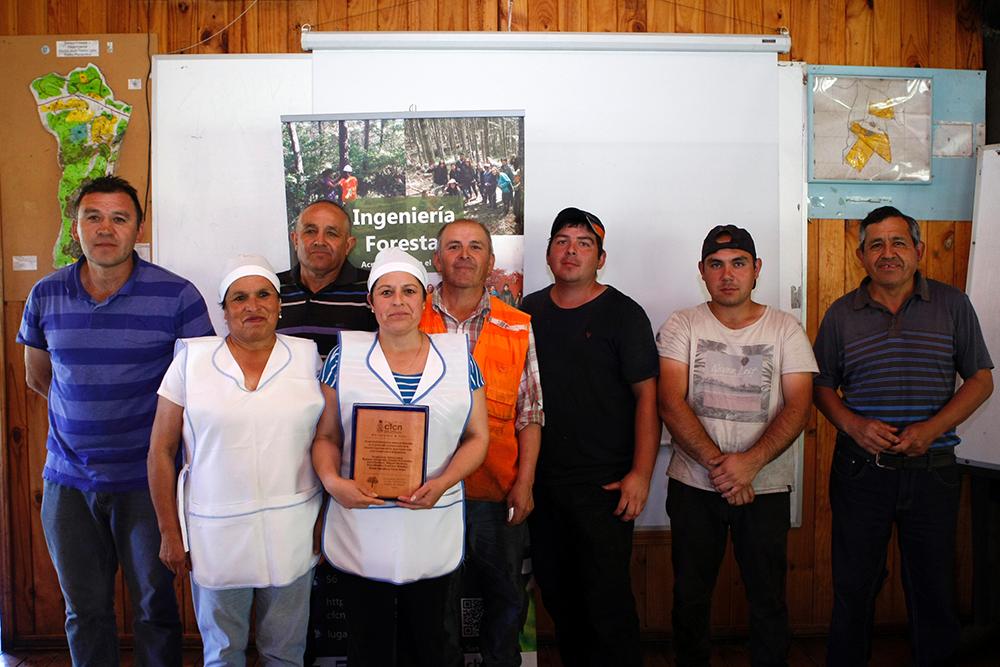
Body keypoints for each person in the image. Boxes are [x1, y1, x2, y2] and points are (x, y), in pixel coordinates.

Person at [16, 175, 213, 666]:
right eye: (93, 217)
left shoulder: (178, 296)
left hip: (148, 484)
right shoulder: (46, 294)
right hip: (68, 483)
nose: (106, 229)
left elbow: (200, 389)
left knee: (155, 608)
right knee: (84, 612)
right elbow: (39, 377)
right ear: (76, 226)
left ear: (138, 229)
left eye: (119, 218)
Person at [813, 206, 994, 666]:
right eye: (876, 244)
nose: (887, 253)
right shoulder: (840, 314)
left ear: (918, 249)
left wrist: (931, 431)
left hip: (933, 474)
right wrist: (854, 425)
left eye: (897, 242)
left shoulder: (953, 305)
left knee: (934, 592)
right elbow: (820, 386)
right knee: (854, 588)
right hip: (860, 473)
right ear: (861, 256)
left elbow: (980, 380)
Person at [313, 247, 490, 667]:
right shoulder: (344, 358)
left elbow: (477, 437)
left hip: (433, 520)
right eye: (386, 292)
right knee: (368, 645)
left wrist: (443, 482)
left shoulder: (459, 357)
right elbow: (326, 436)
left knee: (432, 643)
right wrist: (334, 483)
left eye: (408, 291)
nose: (398, 301)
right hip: (361, 524)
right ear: (370, 302)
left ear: (424, 299)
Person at [148, 254, 323, 666]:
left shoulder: (307, 358)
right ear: (223, 310)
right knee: (223, 651)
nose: (252, 306)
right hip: (214, 533)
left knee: (285, 651)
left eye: (264, 295)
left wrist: (325, 523)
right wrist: (170, 533)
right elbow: (159, 450)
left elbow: (328, 442)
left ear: (279, 304)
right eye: (239, 298)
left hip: (292, 528)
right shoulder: (190, 361)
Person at [657, 225, 817, 667]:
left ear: (756, 269)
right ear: (702, 272)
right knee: (690, 599)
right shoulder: (682, 324)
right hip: (694, 487)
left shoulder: (786, 328)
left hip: (765, 489)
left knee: (768, 600)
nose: (728, 274)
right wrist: (724, 468)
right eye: (717, 265)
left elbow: (799, 406)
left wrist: (751, 465)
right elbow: (669, 402)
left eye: (739, 263)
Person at [521, 207, 659, 667]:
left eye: (583, 243)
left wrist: (641, 474)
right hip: (544, 486)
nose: (571, 250)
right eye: (562, 241)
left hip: (605, 487)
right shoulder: (529, 311)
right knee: (561, 601)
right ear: (548, 253)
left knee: (608, 609)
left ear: (600, 257)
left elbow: (647, 398)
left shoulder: (624, 314)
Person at [420, 220, 544, 666]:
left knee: (507, 600)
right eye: (453, 247)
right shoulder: (411, 316)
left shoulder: (516, 325)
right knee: (437, 608)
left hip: (497, 490)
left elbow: (530, 412)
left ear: (492, 263)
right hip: (430, 492)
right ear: (437, 260)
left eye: (476, 247)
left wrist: (525, 483)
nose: (465, 255)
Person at [278, 199, 376, 358]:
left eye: (331, 233)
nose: (319, 241)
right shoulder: (270, 291)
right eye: (310, 231)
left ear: (348, 245)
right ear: (295, 240)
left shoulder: (373, 290)